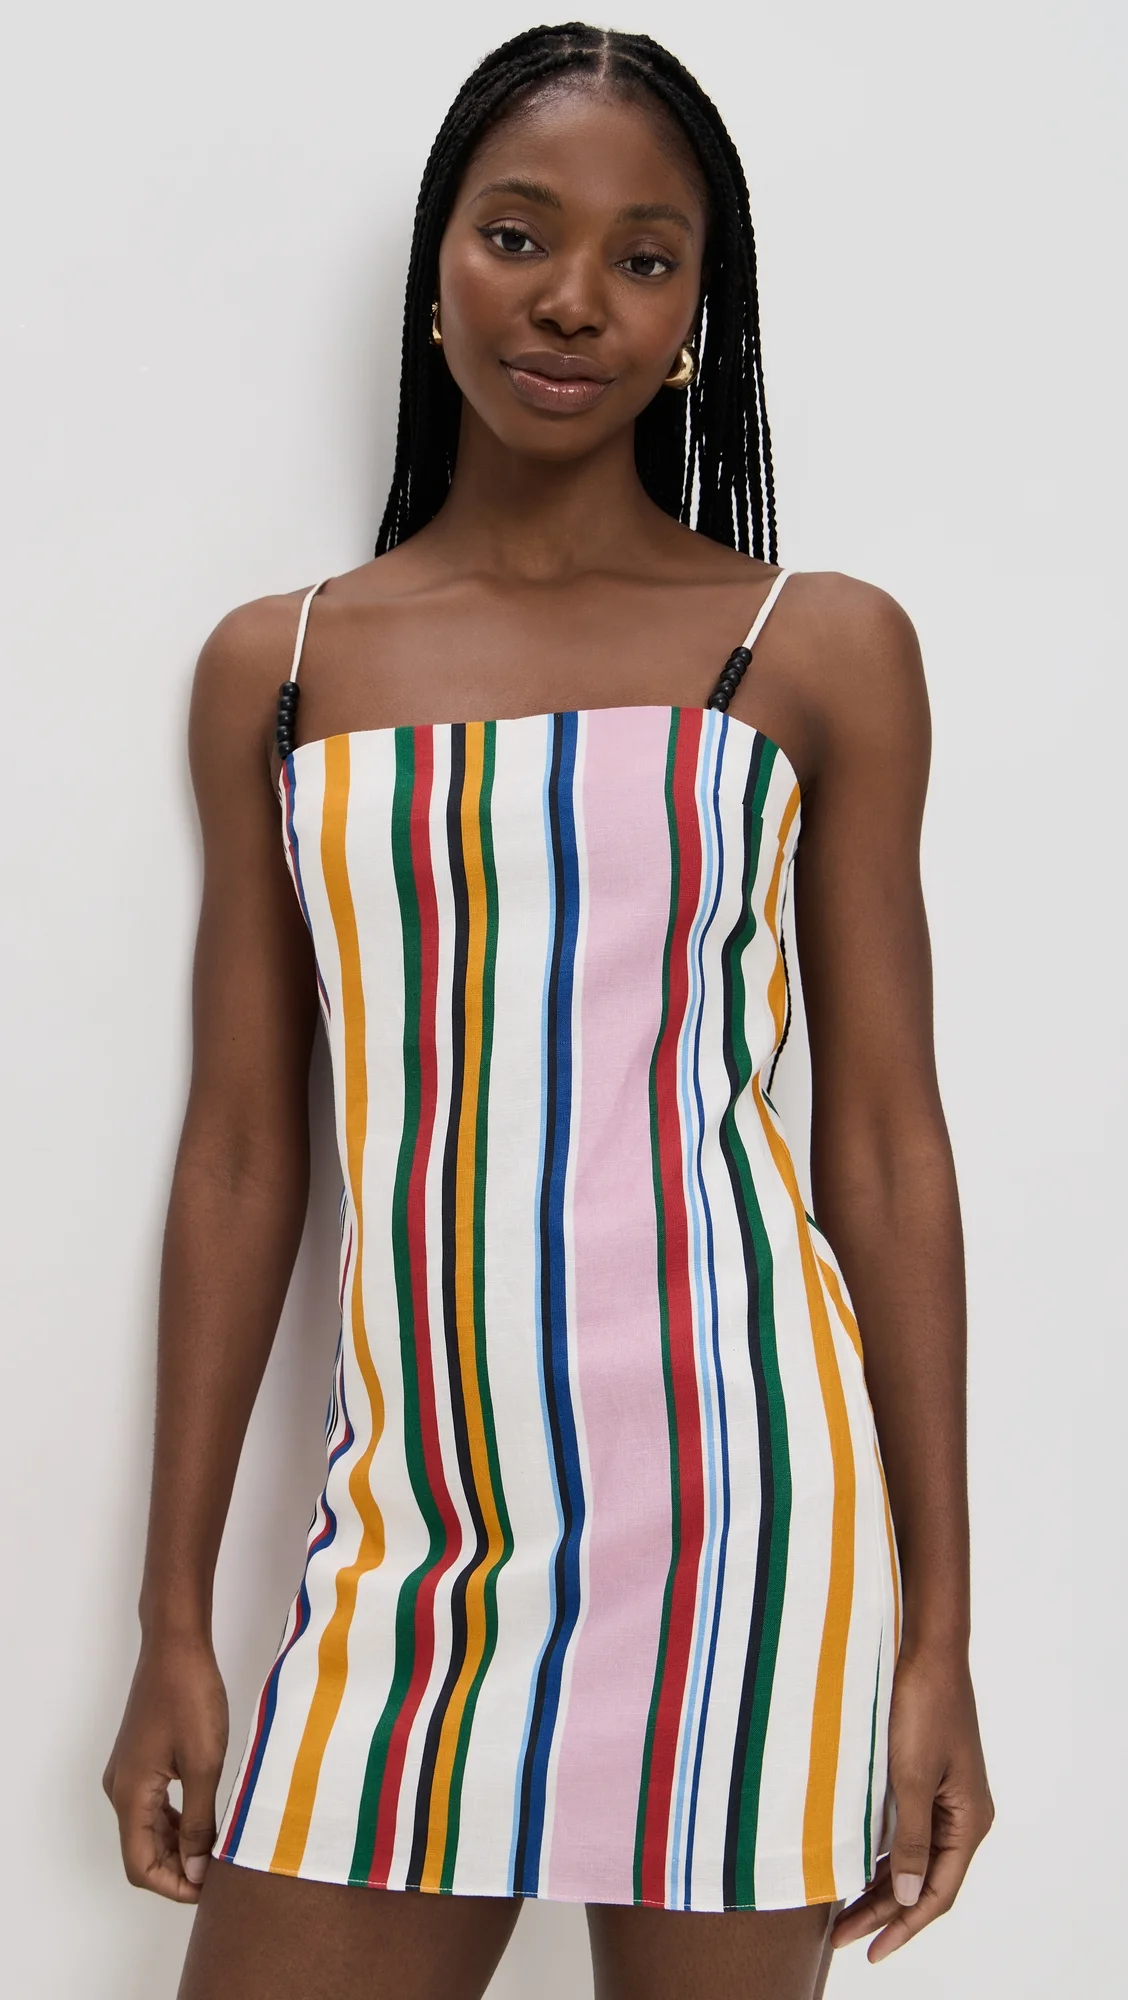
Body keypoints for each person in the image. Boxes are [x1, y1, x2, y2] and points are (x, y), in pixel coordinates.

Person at [103, 23, 993, 2000]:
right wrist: (171, 1615)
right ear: (439, 265)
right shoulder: (283, 666)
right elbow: (243, 1154)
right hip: (410, 1536)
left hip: (743, 1522)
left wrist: (938, 1637)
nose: (574, 297)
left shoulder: (815, 650)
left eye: (644, 257)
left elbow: (884, 1148)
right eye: (519, 234)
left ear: (696, 320)